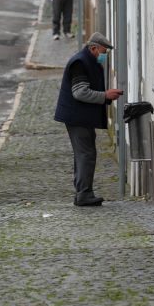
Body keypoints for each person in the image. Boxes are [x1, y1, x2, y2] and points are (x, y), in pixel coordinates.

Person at [54, 33, 123, 206]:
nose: (104, 54)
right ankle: (84, 194)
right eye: (103, 51)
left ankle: (82, 192)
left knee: (83, 154)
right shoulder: (80, 63)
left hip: (80, 116)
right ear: (93, 48)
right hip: (78, 116)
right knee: (86, 154)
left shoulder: (87, 60)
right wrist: (105, 95)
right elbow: (80, 92)